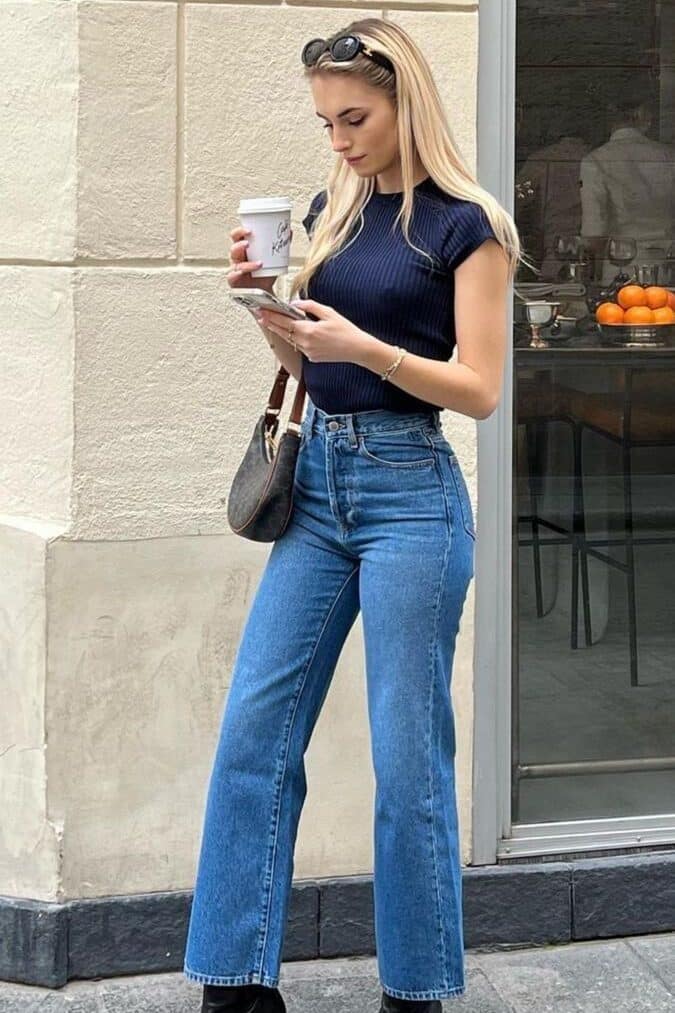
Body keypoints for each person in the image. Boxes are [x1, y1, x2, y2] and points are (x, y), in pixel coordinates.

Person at [183, 17, 522, 1013]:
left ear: (404, 100)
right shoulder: (337, 207)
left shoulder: (470, 224)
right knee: (255, 731)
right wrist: (266, 313)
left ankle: (414, 989)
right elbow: (315, 365)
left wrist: (368, 348)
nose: (336, 139)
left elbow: (479, 388)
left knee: (406, 756)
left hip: (412, 496)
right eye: (325, 120)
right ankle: (235, 984)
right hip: (320, 489)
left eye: (354, 118)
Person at [579, 96, 675, 286]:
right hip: (668, 265)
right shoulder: (669, 156)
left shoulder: (596, 161)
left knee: (622, 314)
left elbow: (594, 232)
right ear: (642, 115)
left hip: (621, 269)